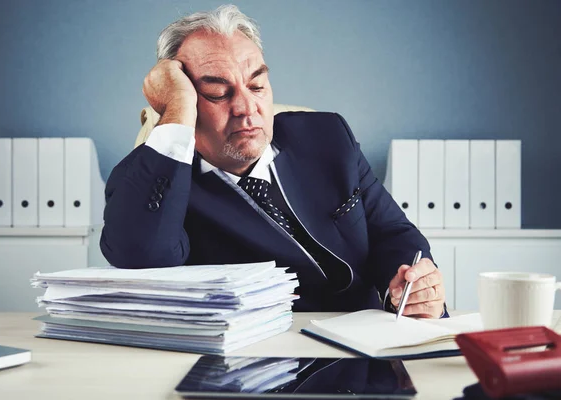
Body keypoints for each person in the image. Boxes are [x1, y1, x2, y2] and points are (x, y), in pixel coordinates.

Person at [100, 4, 447, 317]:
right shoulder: (152, 180)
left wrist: (406, 284)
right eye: (218, 93)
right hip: (259, 358)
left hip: (368, 345)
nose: (246, 108)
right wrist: (174, 112)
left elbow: (391, 231)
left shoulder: (327, 136)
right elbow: (141, 257)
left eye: (257, 85)